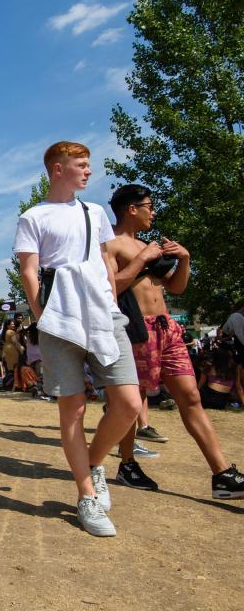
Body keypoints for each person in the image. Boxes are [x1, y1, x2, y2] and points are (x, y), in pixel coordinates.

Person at [14, 141, 144, 536]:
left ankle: (93, 461)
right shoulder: (33, 216)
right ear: (58, 169)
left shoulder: (95, 211)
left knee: (129, 402)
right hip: (60, 316)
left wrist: (110, 298)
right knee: (72, 409)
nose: (89, 171)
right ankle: (86, 494)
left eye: (88, 165)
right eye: (82, 165)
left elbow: (105, 260)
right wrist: (42, 316)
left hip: (102, 313)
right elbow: (29, 270)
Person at [106, 184, 243, 498]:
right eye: (149, 206)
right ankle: (127, 464)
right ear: (131, 209)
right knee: (129, 402)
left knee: (191, 397)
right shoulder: (110, 246)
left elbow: (176, 288)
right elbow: (111, 287)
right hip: (135, 329)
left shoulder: (147, 245)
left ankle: (222, 474)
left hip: (168, 330)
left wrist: (184, 259)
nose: (153, 212)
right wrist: (143, 258)